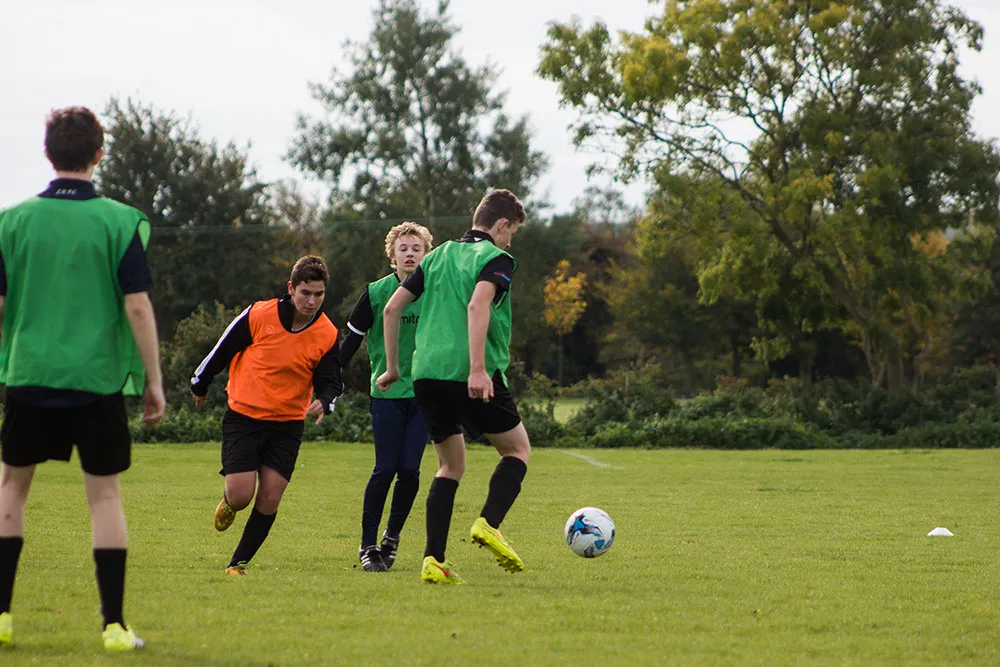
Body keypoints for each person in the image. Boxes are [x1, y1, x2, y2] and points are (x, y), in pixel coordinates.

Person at [0, 107, 166, 650]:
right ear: (100, 153)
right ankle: (114, 626)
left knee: (10, 490)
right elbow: (138, 308)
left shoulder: (12, 221)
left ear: (49, 153)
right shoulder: (119, 221)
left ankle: (1, 617)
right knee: (103, 498)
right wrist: (153, 381)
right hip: (95, 382)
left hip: (29, 375)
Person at [376, 189, 531, 584]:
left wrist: (393, 369)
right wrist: (478, 369)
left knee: (450, 464)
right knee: (517, 450)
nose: (510, 240)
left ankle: (434, 560)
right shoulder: (496, 258)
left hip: (425, 374)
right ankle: (489, 523)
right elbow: (478, 306)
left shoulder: (438, 254)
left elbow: (392, 308)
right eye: (511, 231)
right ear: (500, 225)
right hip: (469, 372)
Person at [190, 256, 343, 577]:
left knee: (270, 496)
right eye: (305, 292)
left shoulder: (327, 333)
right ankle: (229, 503)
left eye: (319, 294)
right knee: (242, 495)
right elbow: (223, 349)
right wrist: (201, 383)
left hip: (287, 425)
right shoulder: (260, 314)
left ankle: (238, 564)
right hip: (244, 416)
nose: (312, 301)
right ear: (291, 288)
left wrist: (325, 401)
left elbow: (330, 381)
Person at [340, 222, 433, 572]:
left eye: (417, 248)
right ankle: (367, 546)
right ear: (392, 256)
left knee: (410, 469)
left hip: (425, 394)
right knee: (385, 468)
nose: (410, 253)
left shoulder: (436, 290)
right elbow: (350, 341)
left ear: (427, 255)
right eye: (403, 248)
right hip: (387, 392)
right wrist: (330, 381)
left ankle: (391, 537)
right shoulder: (376, 293)